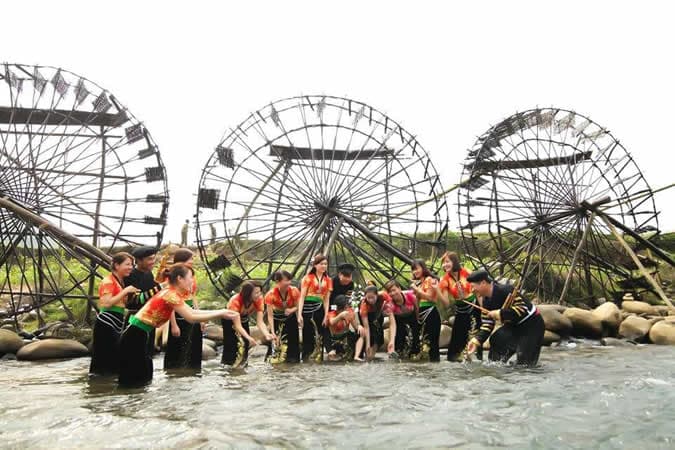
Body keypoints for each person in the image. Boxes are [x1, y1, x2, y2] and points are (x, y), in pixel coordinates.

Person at [118, 264, 249, 386]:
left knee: (143, 378)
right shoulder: (170, 295)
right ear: (180, 279)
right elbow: (191, 317)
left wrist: (222, 311)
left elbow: (192, 312)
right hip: (135, 336)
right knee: (135, 381)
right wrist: (220, 313)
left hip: (139, 334)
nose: (192, 281)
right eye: (190, 277)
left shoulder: (172, 293)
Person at [465, 269, 545, 366]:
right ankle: (495, 367)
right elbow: (487, 324)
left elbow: (522, 309)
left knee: (525, 366)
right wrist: (476, 341)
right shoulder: (486, 302)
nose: (472, 290)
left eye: (473, 286)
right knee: (497, 340)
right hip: (514, 326)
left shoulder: (506, 290)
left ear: (483, 283)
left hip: (532, 325)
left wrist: (500, 313)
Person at [89, 252, 139, 376]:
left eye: (132, 265)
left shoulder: (120, 281)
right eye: (127, 264)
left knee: (114, 356)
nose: (130, 267)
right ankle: (101, 385)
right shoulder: (108, 281)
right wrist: (126, 291)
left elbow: (122, 302)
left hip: (117, 320)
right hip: (107, 322)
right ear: (116, 265)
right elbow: (106, 303)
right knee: (104, 357)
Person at [435, 252, 482, 362]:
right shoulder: (444, 279)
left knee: (475, 334)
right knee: (456, 339)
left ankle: (476, 359)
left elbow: (478, 291)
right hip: (460, 310)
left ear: (454, 262)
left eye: (447, 262)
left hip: (473, 307)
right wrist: (437, 289)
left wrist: (482, 307)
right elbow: (446, 304)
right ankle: (457, 361)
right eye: (443, 263)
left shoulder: (467, 272)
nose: (444, 265)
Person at [164, 248, 203, 370]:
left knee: (195, 345)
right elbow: (169, 302)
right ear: (182, 260)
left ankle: (193, 372)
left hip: (191, 312)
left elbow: (193, 296)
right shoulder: (172, 276)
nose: (192, 261)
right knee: (176, 346)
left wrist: (201, 318)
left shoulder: (190, 275)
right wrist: (173, 325)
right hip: (178, 313)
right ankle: (173, 372)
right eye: (190, 259)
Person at [222, 280, 273, 367]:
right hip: (229, 321)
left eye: (260, 292)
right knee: (231, 344)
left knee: (245, 344)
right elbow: (237, 326)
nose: (259, 295)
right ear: (248, 293)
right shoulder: (235, 301)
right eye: (256, 293)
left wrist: (267, 334)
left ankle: (243, 366)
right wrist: (249, 338)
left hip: (244, 319)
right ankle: (228, 367)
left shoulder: (259, 299)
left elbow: (260, 322)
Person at [124, 246, 163, 355]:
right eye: (149, 259)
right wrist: (160, 287)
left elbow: (154, 293)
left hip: (149, 318)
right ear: (139, 260)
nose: (153, 262)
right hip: (135, 319)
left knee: (148, 353)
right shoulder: (130, 276)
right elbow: (134, 301)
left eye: (154, 258)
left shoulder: (149, 273)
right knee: (135, 353)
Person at [296, 254, 333, 362]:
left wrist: (326, 314)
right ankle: (306, 358)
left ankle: (320, 357)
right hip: (306, 308)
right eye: (321, 264)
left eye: (325, 264)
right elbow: (302, 297)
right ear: (315, 265)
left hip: (319, 307)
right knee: (308, 333)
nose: (324, 266)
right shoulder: (307, 278)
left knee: (323, 330)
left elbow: (326, 299)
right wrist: (299, 314)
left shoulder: (328, 280)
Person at [264, 270, 301, 363]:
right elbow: (270, 316)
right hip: (276, 317)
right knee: (276, 341)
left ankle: (293, 361)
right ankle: (273, 360)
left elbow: (298, 306)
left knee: (293, 341)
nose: (288, 283)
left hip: (290, 317)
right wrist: (272, 331)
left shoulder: (294, 290)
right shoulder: (270, 294)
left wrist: (292, 311)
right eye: (286, 280)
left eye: (289, 280)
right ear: (277, 282)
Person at [410, 259, 441, 362]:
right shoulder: (420, 283)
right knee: (423, 342)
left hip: (431, 312)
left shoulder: (430, 280)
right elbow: (417, 301)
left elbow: (431, 298)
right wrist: (417, 314)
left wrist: (416, 289)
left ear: (423, 268)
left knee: (432, 343)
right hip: (422, 314)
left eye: (417, 269)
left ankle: (434, 366)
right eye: (413, 270)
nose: (415, 272)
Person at [354, 285, 396, 361]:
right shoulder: (364, 305)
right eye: (368, 298)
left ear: (377, 295)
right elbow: (366, 327)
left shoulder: (383, 295)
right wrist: (368, 345)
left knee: (379, 336)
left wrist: (391, 341)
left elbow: (391, 318)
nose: (370, 300)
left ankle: (371, 355)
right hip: (367, 315)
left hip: (378, 313)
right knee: (370, 335)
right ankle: (366, 355)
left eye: (372, 297)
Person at [384, 280, 419, 359]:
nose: (392, 293)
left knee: (415, 338)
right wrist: (391, 341)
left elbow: (417, 310)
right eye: (390, 291)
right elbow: (392, 324)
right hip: (398, 319)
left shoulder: (410, 295)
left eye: (394, 290)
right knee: (399, 341)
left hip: (412, 316)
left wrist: (418, 323)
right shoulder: (389, 305)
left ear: (399, 289)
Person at [325, 295, 360, 361]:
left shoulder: (349, 312)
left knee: (357, 333)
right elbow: (332, 322)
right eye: (347, 306)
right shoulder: (332, 314)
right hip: (332, 339)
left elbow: (356, 327)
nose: (348, 308)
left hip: (344, 338)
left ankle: (356, 355)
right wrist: (341, 316)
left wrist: (359, 327)